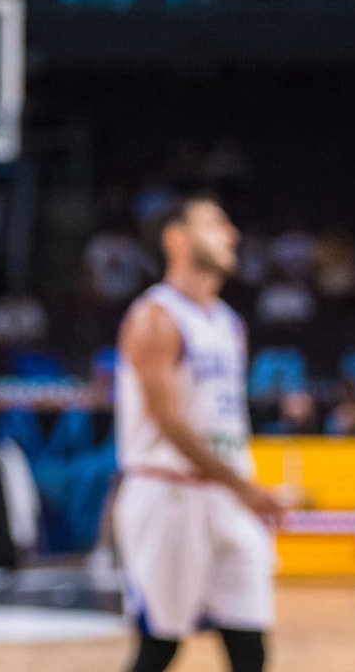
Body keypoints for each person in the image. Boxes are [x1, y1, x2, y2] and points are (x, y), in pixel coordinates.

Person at [114, 193, 282, 672]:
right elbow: (169, 422)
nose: (231, 234)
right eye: (215, 223)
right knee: (160, 648)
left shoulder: (230, 323)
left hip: (227, 496)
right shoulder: (155, 317)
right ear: (177, 239)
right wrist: (243, 485)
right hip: (168, 495)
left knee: (250, 646)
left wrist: (239, 485)